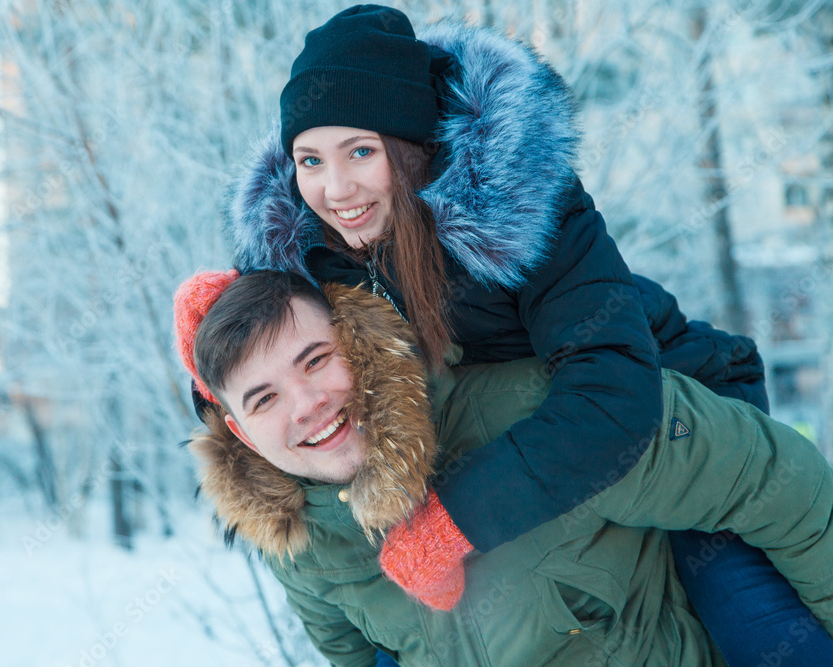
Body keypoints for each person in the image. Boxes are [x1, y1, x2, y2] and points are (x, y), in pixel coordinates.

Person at [221, 5, 832, 663]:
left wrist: (451, 522)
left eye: (360, 151)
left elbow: (611, 401)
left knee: (760, 630)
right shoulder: (307, 243)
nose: (335, 187)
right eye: (310, 159)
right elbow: (253, 374)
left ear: (413, 149)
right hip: (526, 451)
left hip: (676, 426)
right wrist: (207, 328)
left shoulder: (525, 206)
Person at [174, 269, 833, 666]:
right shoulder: (300, 544)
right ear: (242, 434)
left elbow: (771, 479)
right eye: (264, 399)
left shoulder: (532, 410)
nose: (308, 404)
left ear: (357, 340)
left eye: (316, 359)